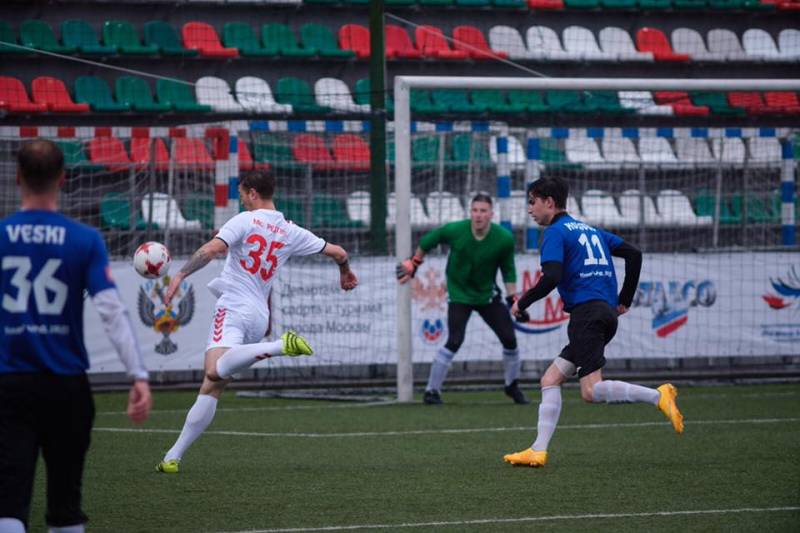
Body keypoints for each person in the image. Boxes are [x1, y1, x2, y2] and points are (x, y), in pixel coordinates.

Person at [156, 170, 357, 474]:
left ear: (252, 193)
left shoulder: (245, 220)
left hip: (234, 306)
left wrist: (181, 274)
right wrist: (345, 272)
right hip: (259, 315)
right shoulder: (290, 230)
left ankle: (279, 346)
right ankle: (173, 456)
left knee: (213, 370)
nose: (241, 201)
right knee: (213, 386)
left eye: (242, 195)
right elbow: (339, 252)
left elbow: (212, 249)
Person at [0, 140, 152, 533]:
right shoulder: (84, 239)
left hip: (9, 383)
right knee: (66, 504)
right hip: (66, 386)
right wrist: (137, 374)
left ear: (17, 178)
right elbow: (112, 311)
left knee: (8, 503)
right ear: (63, 178)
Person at [503, 176, 683, 468]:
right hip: (604, 314)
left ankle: (657, 395)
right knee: (550, 380)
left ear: (549, 202)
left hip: (586, 316)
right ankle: (538, 449)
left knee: (590, 391)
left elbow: (551, 277)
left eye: (532, 202)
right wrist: (624, 299)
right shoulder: (591, 230)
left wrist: (521, 303)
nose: (529, 209)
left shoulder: (555, 232)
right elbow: (634, 254)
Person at [397, 193, 530, 405]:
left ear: (491, 214)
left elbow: (508, 270)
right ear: (470, 213)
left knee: (510, 339)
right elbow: (428, 240)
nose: (478, 215)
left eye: (483, 211)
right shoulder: (456, 230)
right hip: (459, 293)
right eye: (475, 210)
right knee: (455, 341)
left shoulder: (503, 239)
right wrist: (415, 262)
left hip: (487, 295)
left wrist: (513, 299)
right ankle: (431, 391)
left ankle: (512, 386)